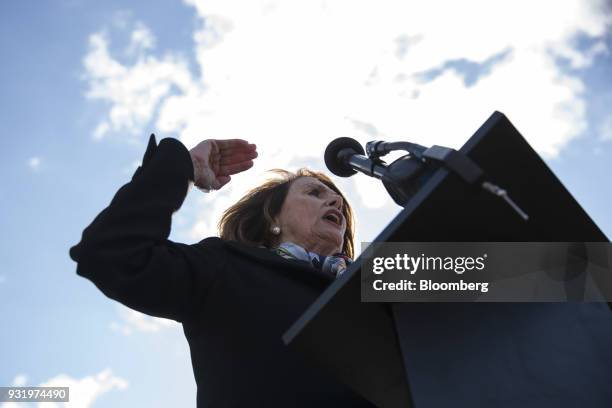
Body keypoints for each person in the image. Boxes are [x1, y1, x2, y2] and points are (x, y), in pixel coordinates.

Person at [69, 134, 376, 407]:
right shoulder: (227, 266)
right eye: (314, 193)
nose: (336, 199)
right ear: (273, 219)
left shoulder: (376, 275)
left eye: (338, 200)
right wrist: (183, 166)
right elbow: (113, 253)